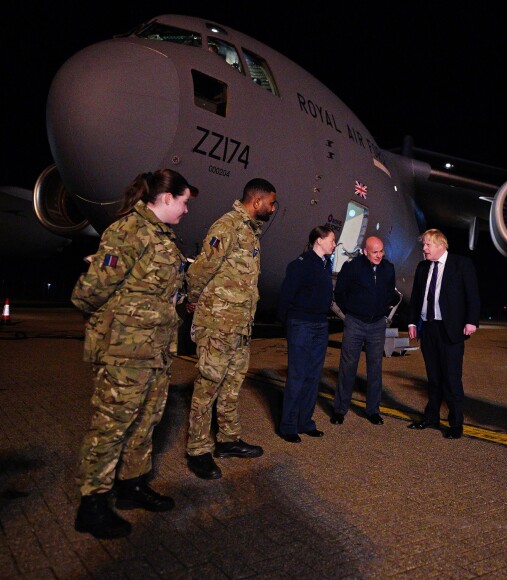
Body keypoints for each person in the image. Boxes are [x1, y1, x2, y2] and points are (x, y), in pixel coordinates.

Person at [70, 169, 197, 539]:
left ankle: (132, 485)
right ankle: (91, 505)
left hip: (155, 351)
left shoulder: (164, 238)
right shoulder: (128, 232)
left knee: (147, 421)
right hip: (126, 353)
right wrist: (119, 321)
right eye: (185, 202)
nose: (186, 210)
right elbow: (88, 292)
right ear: (167, 197)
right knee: (111, 426)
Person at [184, 178, 278, 480]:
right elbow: (201, 268)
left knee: (232, 384)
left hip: (240, 325)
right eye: (271, 203)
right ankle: (198, 449)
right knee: (208, 385)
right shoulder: (226, 227)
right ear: (257, 201)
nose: (273, 209)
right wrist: (193, 299)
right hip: (218, 323)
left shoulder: (250, 232)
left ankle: (228, 440)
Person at [407, 229, 480, 439]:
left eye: (428, 245)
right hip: (429, 328)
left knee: (451, 379)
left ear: (441, 245)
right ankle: (431, 418)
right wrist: (412, 321)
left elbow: (472, 295)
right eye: (424, 245)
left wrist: (471, 321)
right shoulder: (422, 267)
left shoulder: (461, 264)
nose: (424, 249)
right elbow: (416, 298)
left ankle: (456, 424)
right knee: (433, 377)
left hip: (451, 330)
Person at [277, 226, 336, 442]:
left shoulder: (325, 265)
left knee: (313, 375)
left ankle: (305, 421)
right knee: (297, 375)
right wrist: (289, 325)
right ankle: (288, 425)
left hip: (320, 324)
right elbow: (285, 296)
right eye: (331, 239)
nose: (334, 244)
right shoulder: (300, 265)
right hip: (301, 324)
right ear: (319, 241)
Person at [331, 236, 397, 426]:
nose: (379, 255)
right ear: (365, 251)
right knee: (348, 367)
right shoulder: (352, 267)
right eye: (375, 252)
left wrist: (382, 311)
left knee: (375, 368)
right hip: (355, 323)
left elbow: (389, 294)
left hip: (377, 324)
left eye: (381, 251)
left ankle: (373, 410)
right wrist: (352, 311)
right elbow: (340, 293)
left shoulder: (388, 268)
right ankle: (339, 409)